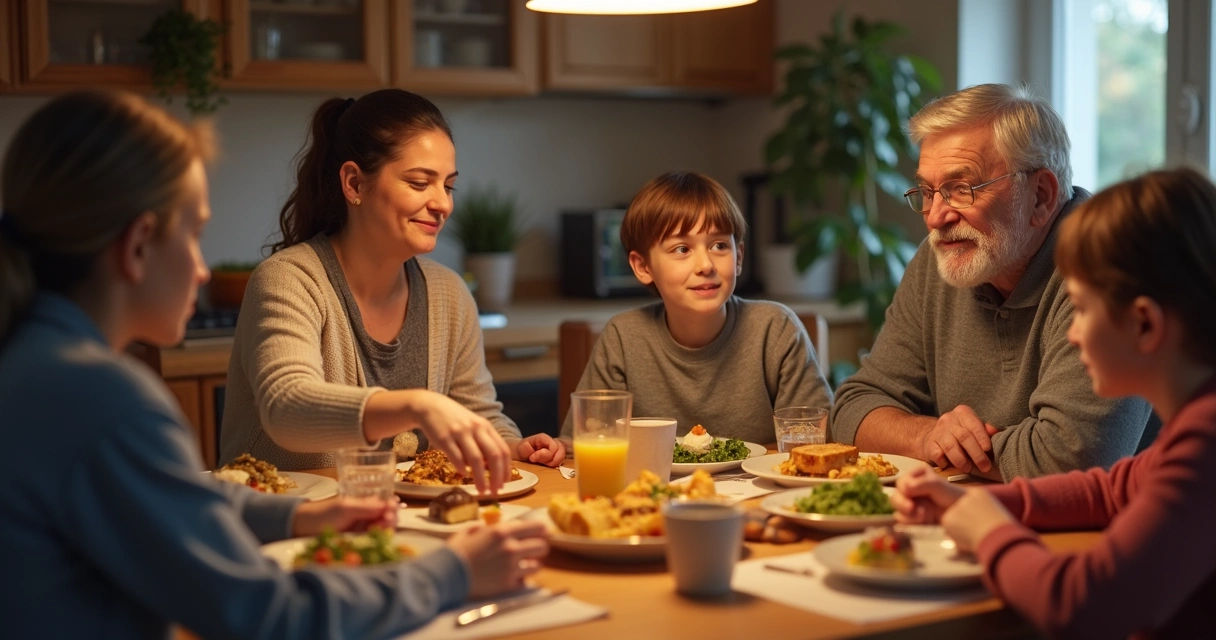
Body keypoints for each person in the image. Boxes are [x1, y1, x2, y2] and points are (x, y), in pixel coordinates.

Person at [0, 90, 549, 639]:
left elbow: (176, 495)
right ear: (138, 244)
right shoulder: (106, 401)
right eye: (194, 236)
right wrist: (451, 573)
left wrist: (294, 516)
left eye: (448, 186)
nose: (200, 270)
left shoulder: (38, 366)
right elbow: (264, 616)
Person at [892, 166, 1216, 637]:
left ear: (1145, 325)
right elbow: (1109, 491)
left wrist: (989, 532)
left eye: (1082, 309)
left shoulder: (1205, 447)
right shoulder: (1196, 426)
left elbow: (1080, 605)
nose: (1073, 332)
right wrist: (964, 502)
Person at [219, 89, 565, 486]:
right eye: (420, 183)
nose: (443, 204)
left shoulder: (448, 293)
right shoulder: (289, 280)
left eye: (448, 186)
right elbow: (287, 408)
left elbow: (477, 414)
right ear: (354, 184)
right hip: (281, 525)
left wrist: (509, 446)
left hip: (397, 526)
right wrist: (418, 406)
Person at [829, 83, 1156, 480]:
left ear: (1041, 196)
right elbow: (852, 408)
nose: (935, 217)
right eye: (928, 192)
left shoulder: (1109, 264)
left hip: (1111, 534)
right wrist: (928, 435)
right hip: (973, 516)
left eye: (960, 189)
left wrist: (958, 450)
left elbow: (1073, 457)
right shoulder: (942, 259)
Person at [559, 171, 832, 445]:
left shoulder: (775, 329)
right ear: (643, 267)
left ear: (739, 257)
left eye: (719, 245)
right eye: (682, 249)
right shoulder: (623, 337)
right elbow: (584, 445)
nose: (706, 265)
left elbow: (817, 442)